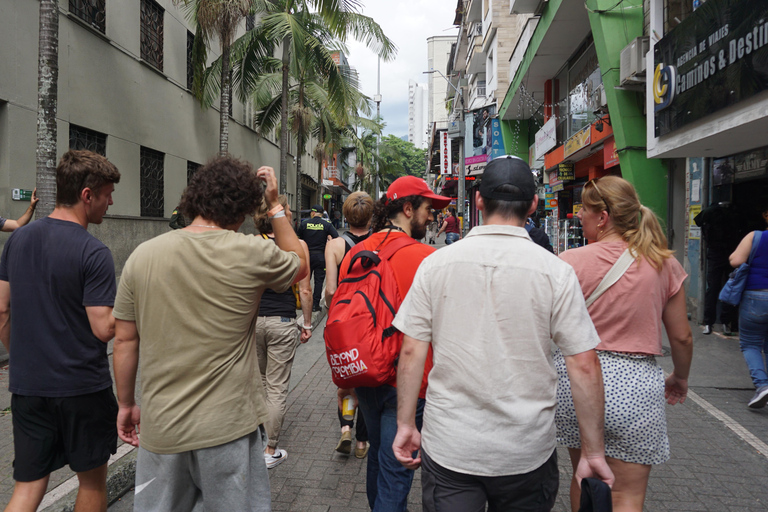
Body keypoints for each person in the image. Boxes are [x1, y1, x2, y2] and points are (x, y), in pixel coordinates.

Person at [392, 156, 613, 512]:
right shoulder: (555, 272)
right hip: (526, 450)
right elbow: (584, 364)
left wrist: (405, 424)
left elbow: (411, 351)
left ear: (479, 200)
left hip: (451, 444)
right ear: (533, 204)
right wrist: (593, 451)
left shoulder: (435, 265)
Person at [113, 158, 308, 511]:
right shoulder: (252, 252)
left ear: (194, 198)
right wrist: (276, 205)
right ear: (246, 207)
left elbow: (125, 340)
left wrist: (126, 404)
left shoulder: (143, 256)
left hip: (162, 426)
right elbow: (299, 261)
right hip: (228, 427)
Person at [556, 175, 693, 512]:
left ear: (602, 217)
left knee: (584, 475)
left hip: (578, 382)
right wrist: (680, 377)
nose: (578, 216)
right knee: (626, 493)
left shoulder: (569, 261)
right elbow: (681, 336)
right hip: (636, 387)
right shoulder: (663, 263)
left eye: (584, 210)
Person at [0, 150, 120, 512]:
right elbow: (103, 329)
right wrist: (136, 311)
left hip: (27, 388)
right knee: (92, 483)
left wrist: (23, 357)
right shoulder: (93, 252)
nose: (110, 202)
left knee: (28, 486)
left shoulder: (16, 241)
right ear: (87, 195)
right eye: (107, 194)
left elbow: (2, 308)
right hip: (82, 387)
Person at [338, 176, 450, 511]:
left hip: (366, 372)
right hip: (408, 382)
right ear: (407, 208)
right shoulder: (426, 258)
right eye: (428, 209)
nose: (432, 217)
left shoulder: (355, 252)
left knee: (379, 458)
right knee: (396, 469)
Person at [253, 194, 313, 468]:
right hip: (283, 320)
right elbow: (305, 288)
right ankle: (269, 450)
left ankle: (254, 443)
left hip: (253, 323)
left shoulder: (251, 245)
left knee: (259, 384)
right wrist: (308, 323)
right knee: (276, 388)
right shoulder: (297, 246)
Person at [325, 192, 375, 459]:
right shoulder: (380, 242)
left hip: (344, 322)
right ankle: (362, 443)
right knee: (367, 381)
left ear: (344, 216)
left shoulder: (334, 245)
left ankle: (346, 427)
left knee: (346, 380)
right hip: (371, 322)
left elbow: (331, 289)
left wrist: (335, 311)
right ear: (371, 216)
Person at [729, 202, 768, 408]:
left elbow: (736, 261)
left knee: (750, 343)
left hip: (756, 297)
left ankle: (762, 386)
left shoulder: (756, 237)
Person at [694, 202, 743, 334]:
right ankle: (726, 322)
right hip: (731, 253)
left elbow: (697, 221)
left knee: (712, 288)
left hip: (714, 253)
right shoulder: (734, 212)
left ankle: (709, 322)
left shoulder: (709, 211)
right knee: (730, 287)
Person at [298, 204, 339, 313]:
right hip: (321, 256)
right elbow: (336, 237)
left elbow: (299, 239)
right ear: (321, 214)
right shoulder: (326, 224)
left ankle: (304, 303)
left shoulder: (304, 223)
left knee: (305, 281)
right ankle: (315, 305)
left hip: (307, 256)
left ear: (312, 213)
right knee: (318, 281)